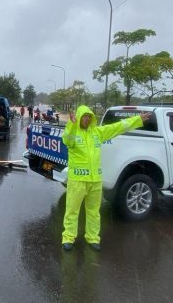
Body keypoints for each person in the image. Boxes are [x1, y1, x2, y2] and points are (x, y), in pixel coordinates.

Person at [61, 105, 152, 252]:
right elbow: (67, 140)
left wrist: (137, 119)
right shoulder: (73, 133)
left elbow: (118, 127)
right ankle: (68, 237)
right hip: (77, 180)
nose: (86, 119)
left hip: (95, 180)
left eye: (89, 116)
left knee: (94, 212)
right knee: (72, 210)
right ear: (79, 117)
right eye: (84, 116)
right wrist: (71, 124)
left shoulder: (97, 133)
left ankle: (92, 238)